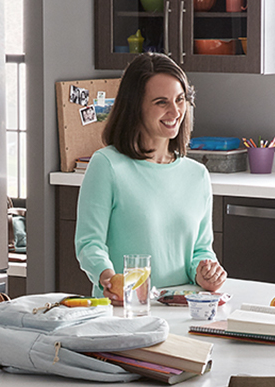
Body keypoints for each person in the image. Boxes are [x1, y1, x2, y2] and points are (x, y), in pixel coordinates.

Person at [73, 53, 226, 302]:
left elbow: (200, 249)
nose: (175, 111)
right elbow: (89, 243)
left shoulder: (196, 175)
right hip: (125, 309)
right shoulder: (107, 165)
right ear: (136, 107)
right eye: (161, 102)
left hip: (181, 309)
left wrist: (204, 273)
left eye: (180, 99)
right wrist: (109, 279)